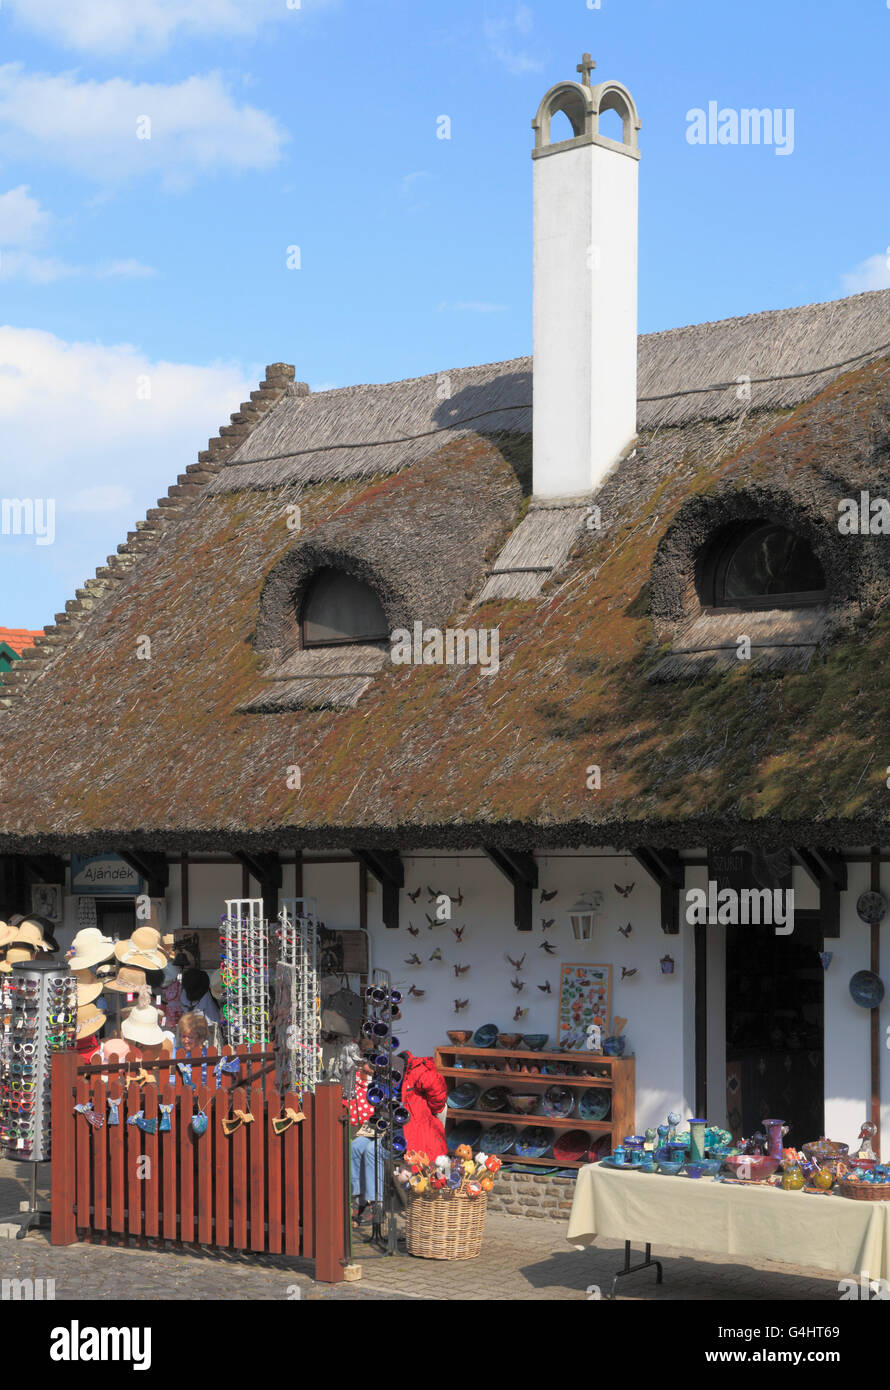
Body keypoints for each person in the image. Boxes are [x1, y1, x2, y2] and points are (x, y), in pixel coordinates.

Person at [348, 1051, 385, 1228]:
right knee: (355, 1147)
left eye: (367, 1064)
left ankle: (375, 1202)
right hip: (373, 1125)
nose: (365, 1068)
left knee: (372, 1151)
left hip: (388, 1126)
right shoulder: (359, 1081)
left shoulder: (385, 1078)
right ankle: (359, 1197)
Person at [398, 1051, 448, 1159]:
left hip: (420, 1118)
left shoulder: (418, 1071)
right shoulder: (407, 1070)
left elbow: (437, 1092)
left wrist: (433, 1110)